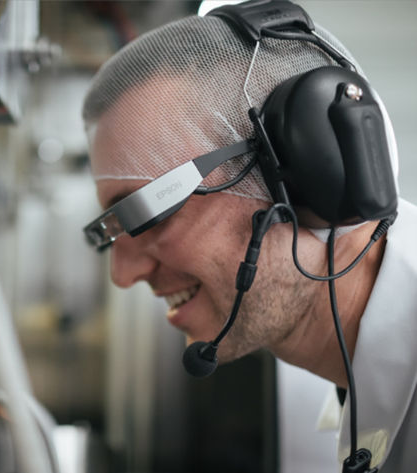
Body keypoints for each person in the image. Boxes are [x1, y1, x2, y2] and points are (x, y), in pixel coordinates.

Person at [81, 3, 417, 472]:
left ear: (309, 176)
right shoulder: (356, 387)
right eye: (113, 231)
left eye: (148, 214)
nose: (124, 273)